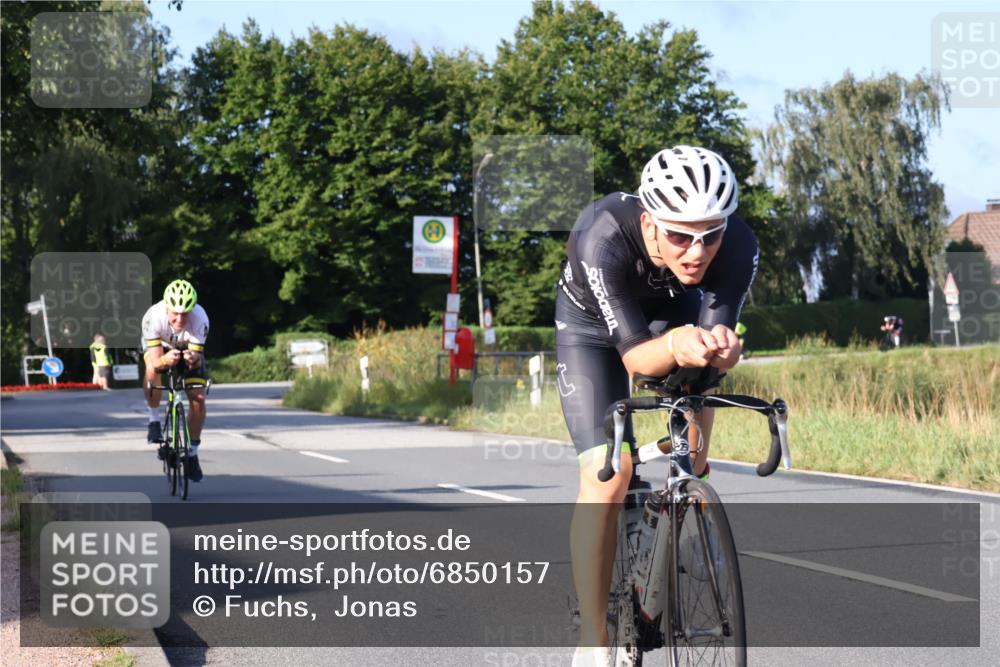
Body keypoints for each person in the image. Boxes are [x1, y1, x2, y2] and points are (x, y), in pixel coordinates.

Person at [555, 146, 758, 666]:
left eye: (710, 235)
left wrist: (722, 348)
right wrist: (675, 344)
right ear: (650, 223)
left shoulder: (738, 245)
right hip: (591, 331)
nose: (697, 251)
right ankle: (593, 640)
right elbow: (638, 360)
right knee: (609, 475)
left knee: (702, 384)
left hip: (672, 314)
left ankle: (687, 506)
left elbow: (714, 334)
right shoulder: (603, 234)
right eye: (681, 236)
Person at [141, 279, 210, 482]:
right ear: (166, 308)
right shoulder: (153, 317)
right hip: (160, 346)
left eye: (185, 313)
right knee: (152, 370)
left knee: (198, 397)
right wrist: (165, 360)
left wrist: (192, 358)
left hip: (187, 346)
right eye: (175, 313)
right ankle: (153, 419)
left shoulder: (200, 318)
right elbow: (156, 361)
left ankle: (192, 454)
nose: (180, 319)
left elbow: (197, 358)